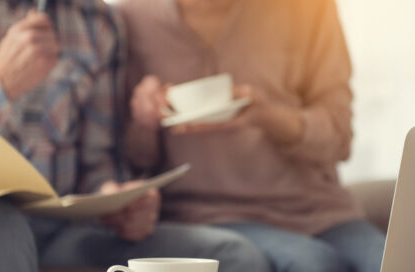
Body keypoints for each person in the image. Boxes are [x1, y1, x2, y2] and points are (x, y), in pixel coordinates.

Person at [0, 0, 270, 271]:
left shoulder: (97, 21)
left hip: (54, 229)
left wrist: (114, 197)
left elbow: (98, 162)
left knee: (234, 258)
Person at [118, 0, 387, 271]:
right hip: (208, 215)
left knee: (401, 263)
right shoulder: (132, 18)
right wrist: (144, 122)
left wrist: (269, 116)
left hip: (320, 211)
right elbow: (133, 164)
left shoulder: (309, 9)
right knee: (315, 264)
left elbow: (340, 139)